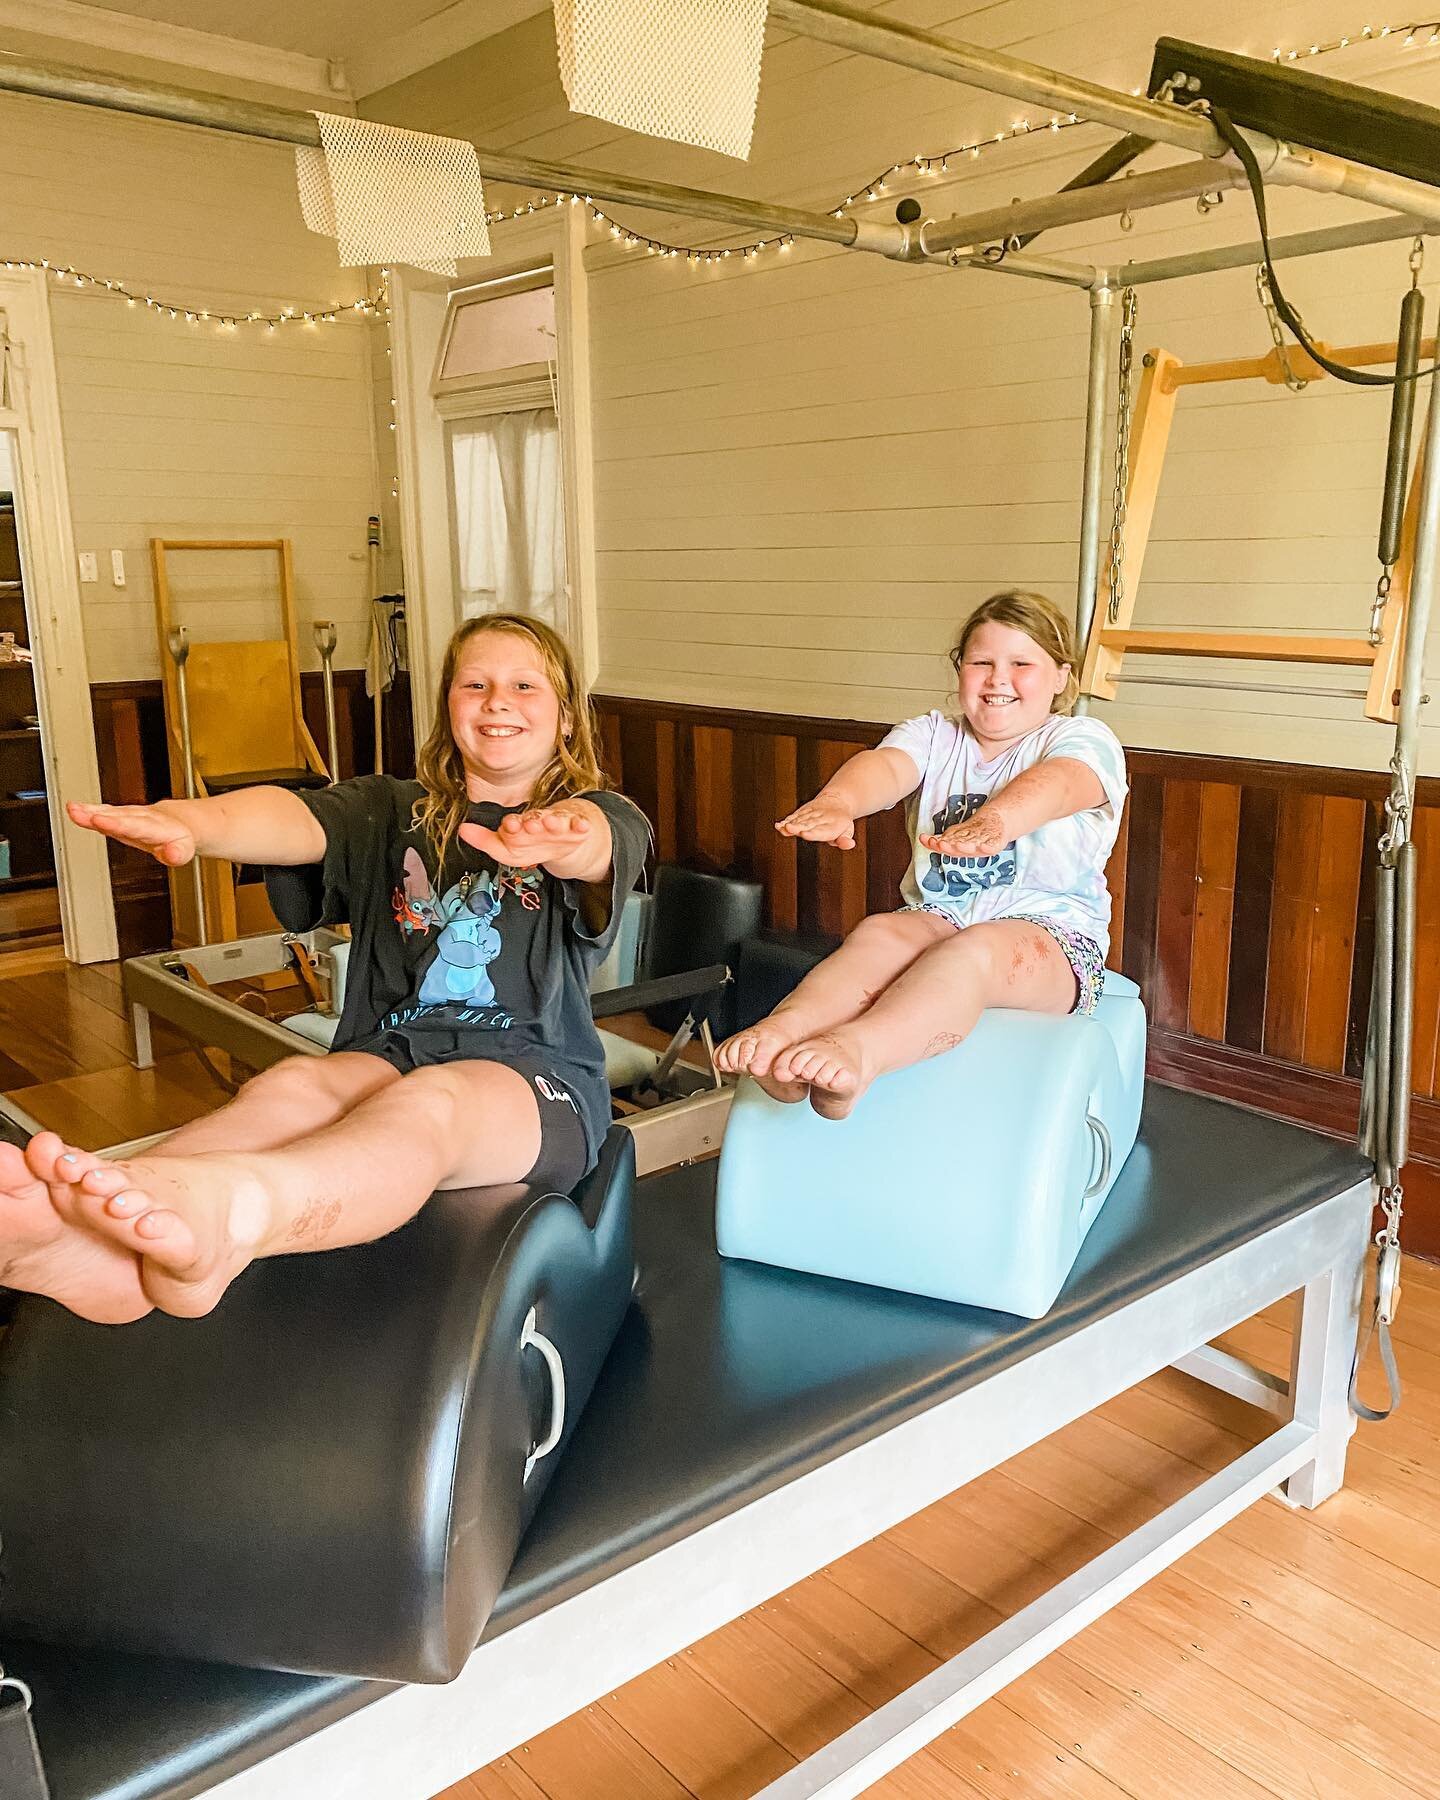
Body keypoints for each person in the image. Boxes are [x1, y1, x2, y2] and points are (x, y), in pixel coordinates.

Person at [0, 614, 648, 1323]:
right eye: (476, 684)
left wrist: (562, 836)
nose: (498, 700)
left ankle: (235, 1217)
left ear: (563, 720)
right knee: (296, 1086)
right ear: (446, 707)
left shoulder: (593, 814)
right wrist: (194, 823)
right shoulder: (390, 810)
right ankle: (99, 1229)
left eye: (525, 685)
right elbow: (293, 818)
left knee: (429, 1106)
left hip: (532, 1077)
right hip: (388, 1052)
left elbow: (599, 847)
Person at [715, 589, 1127, 1118]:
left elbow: (1062, 783)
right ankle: (786, 1030)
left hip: (1054, 941)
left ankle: (862, 1054)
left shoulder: (1081, 738)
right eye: (982, 662)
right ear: (960, 670)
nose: (999, 679)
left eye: (1021, 663)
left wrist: (999, 820)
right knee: (880, 934)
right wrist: (840, 802)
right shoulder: (935, 735)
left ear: (1062, 676)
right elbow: (886, 768)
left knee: (974, 951)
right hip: (940, 916)